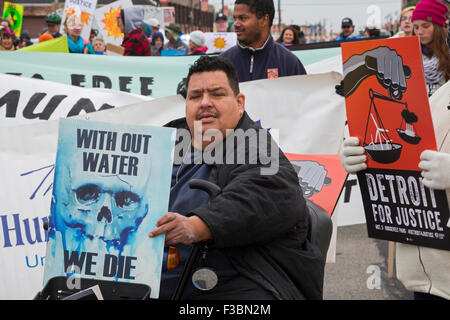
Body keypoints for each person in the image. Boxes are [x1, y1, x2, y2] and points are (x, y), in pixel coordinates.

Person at [149, 55, 324, 300]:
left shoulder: (255, 144)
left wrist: (196, 225)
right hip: (149, 275)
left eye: (217, 94)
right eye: (196, 96)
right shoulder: (164, 140)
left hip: (237, 279)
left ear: (239, 102)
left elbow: (267, 192)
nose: (205, 103)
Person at [220, 0, 306, 82]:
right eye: (235, 18)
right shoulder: (222, 63)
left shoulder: (289, 63)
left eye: (243, 18)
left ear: (264, 19)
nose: (236, 24)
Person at [411, 0, 450, 96]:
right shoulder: (408, 54)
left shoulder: (448, 53)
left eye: (425, 26)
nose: (419, 32)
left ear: (438, 27)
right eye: (416, 27)